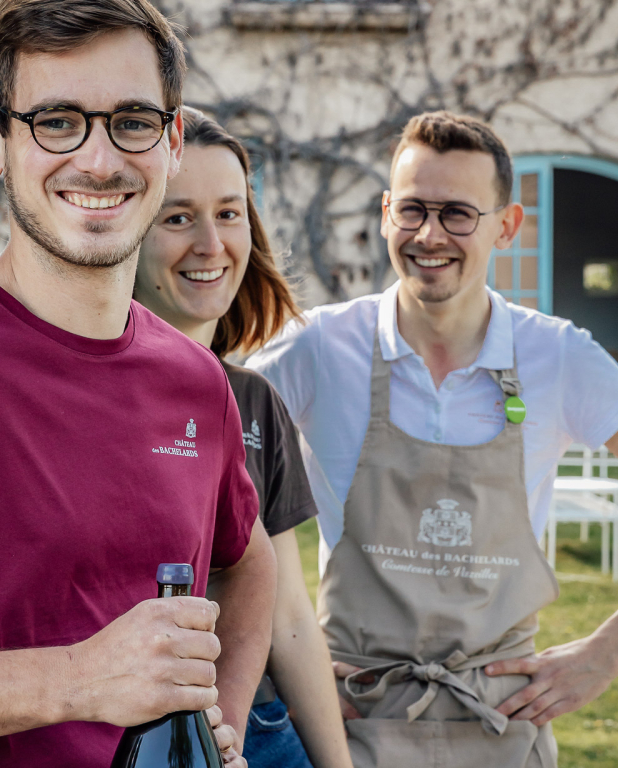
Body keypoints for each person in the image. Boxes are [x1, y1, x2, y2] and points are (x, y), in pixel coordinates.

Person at [0, 0, 277, 765]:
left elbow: (249, 561)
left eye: (131, 121)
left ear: (169, 143)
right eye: (57, 121)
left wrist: (218, 729)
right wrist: (79, 680)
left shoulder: (196, 383)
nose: (98, 160)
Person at [247, 110, 618, 767]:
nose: (429, 235)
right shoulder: (320, 348)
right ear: (387, 213)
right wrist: (278, 666)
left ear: (507, 225)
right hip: (350, 725)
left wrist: (609, 651)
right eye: (413, 209)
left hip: (503, 724)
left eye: (457, 214)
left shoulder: (557, 356)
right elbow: (197, 486)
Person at [135, 107, 354, 768]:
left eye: (229, 214)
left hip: (257, 726)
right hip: (138, 731)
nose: (211, 244)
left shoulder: (256, 402)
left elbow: (288, 616)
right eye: (178, 218)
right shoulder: (81, 389)